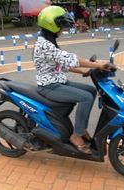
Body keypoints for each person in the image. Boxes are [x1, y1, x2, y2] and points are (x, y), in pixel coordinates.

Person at [34, 6, 110, 154]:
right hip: (49, 86)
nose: (62, 30)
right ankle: (76, 135)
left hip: (59, 81)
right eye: (61, 26)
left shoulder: (49, 40)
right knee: (85, 97)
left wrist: (84, 70)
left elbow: (61, 63)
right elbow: (68, 59)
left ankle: (81, 129)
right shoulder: (44, 45)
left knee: (91, 91)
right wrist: (97, 64)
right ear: (51, 25)